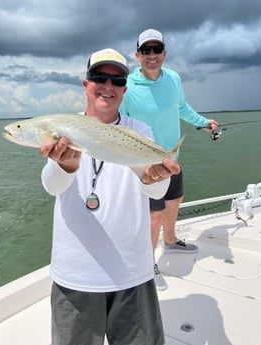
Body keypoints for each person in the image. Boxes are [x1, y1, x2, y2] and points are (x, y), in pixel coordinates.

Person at [40, 48, 180, 345]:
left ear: (125, 90)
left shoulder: (139, 130)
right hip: (75, 275)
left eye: (117, 81)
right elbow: (52, 186)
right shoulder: (64, 128)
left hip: (132, 273)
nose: (108, 86)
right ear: (85, 84)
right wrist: (64, 167)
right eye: (99, 77)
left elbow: (156, 189)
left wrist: (155, 177)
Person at [120, 29, 218, 291]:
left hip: (172, 158)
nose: (152, 55)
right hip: (145, 164)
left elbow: (181, 106)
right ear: (137, 55)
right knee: (154, 215)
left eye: (157, 50)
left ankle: (171, 241)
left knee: (174, 200)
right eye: (146, 51)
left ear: (164, 53)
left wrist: (203, 123)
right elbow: (120, 125)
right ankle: (147, 263)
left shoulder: (173, 78)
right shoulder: (128, 86)